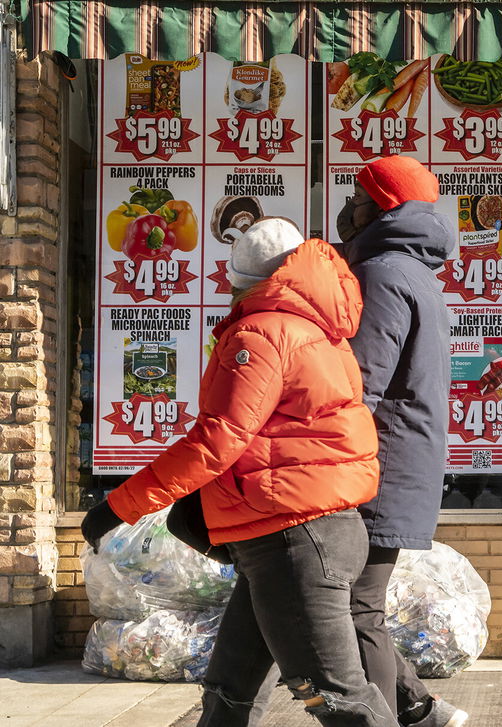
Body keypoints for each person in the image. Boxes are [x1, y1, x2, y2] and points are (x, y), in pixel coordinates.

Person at [80, 218, 398, 727]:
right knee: (230, 691)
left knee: (339, 701)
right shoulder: (317, 329)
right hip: (296, 533)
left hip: (292, 538)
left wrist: (118, 506)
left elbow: (217, 440)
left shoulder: (262, 331)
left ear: (241, 280)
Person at [335, 156, 466, 727]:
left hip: (377, 464)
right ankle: (420, 709)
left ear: (381, 206)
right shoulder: (413, 271)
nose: (349, 206)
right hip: (396, 460)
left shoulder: (383, 272)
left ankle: (399, 714)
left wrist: (333, 464)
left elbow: (361, 383)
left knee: (355, 611)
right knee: (355, 609)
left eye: (357, 195)